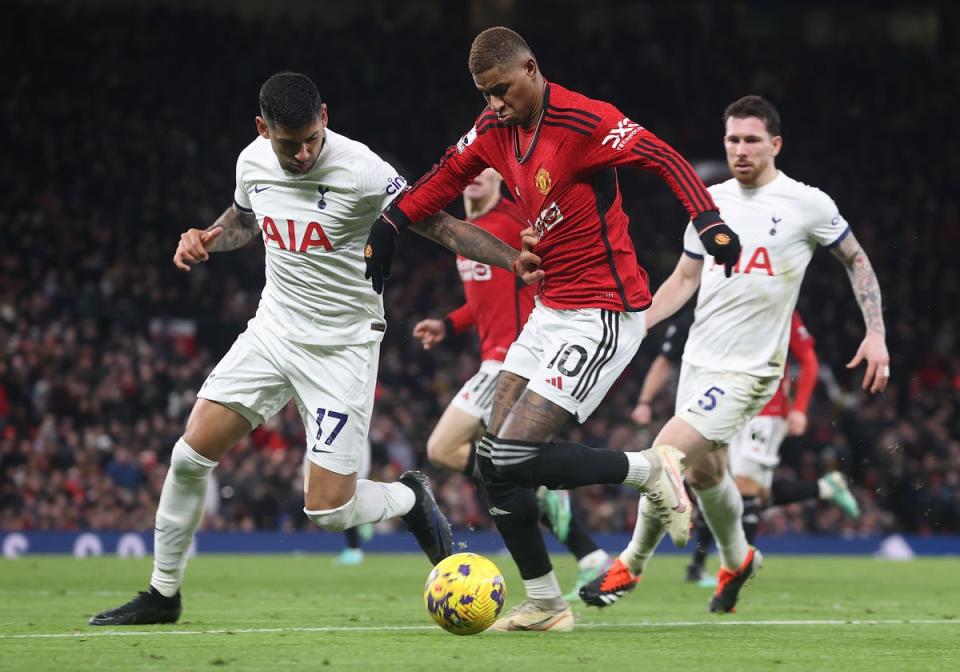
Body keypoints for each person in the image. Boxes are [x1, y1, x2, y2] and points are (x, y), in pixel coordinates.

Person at [89, 72, 543, 626]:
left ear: (324, 117)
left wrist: (509, 258)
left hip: (342, 349)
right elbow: (244, 220)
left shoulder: (362, 169)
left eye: (311, 139)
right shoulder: (251, 161)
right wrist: (207, 237)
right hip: (273, 332)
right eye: (288, 144)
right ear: (263, 129)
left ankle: (408, 498)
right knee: (190, 454)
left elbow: (441, 226)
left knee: (328, 511)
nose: (302, 154)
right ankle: (162, 596)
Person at [363, 27, 741, 631]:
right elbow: (442, 177)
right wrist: (390, 223)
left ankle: (649, 469)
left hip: (603, 314)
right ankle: (546, 603)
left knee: (513, 453)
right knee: (492, 461)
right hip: (548, 311)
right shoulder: (494, 131)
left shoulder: (585, 123)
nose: (494, 104)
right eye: (485, 94)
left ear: (532, 69)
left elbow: (664, 157)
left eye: (502, 89)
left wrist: (710, 221)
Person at [580, 95, 889, 613]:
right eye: (732, 140)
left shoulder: (807, 204)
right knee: (704, 474)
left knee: (664, 454)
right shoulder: (708, 199)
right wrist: (638, 323)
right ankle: (739, 558)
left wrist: (875, 332)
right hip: (699, 362)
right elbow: (684, 279)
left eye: (750, 140)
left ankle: (630, 565)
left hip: (751, 370)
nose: (740, 150)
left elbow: (855, 260)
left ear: (775, 144)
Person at [412, 167, 611, 598]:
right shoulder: (468, 233)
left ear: (502, 181)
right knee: (498, 464)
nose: (476, 179)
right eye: (471, 173)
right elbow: (481, 303)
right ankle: (586, 551)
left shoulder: (508, 225)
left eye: (487, 173)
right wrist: (448, 323)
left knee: (442, 448)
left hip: (511, 362)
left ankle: (541, 501)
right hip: (496, 360)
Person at [630, 309, 860, 584]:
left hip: (766, 411)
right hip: (725, 404)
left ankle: (725, 571)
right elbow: (668, 358)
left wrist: (799, 408)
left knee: (741, 489)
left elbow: (809, 360)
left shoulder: (779, 304)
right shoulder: (714, 307)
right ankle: (825, 488)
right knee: (728, 487)